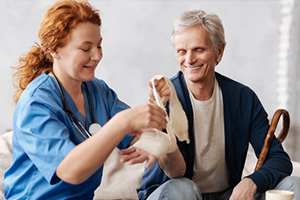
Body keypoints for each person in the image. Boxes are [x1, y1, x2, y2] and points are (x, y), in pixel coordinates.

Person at [4, 0, 169, 199]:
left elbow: (138, 133)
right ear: (55, 50)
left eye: (99, 45)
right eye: (85, 49)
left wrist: (155, 109)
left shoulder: (97, 91)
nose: (97, 55)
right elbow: (69, 171)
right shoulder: (36, 104)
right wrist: (122, 122)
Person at [135, 10, 300, 200]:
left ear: (219, 52)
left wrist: (251, 181)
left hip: (226, 196)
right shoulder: (165, 98)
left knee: (294, 185)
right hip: (170, 191)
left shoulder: (242, 98)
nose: (189, 59)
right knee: (184, 189)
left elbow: (279, 159)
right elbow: (174, 172)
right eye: (182, 51)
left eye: (198, 50)